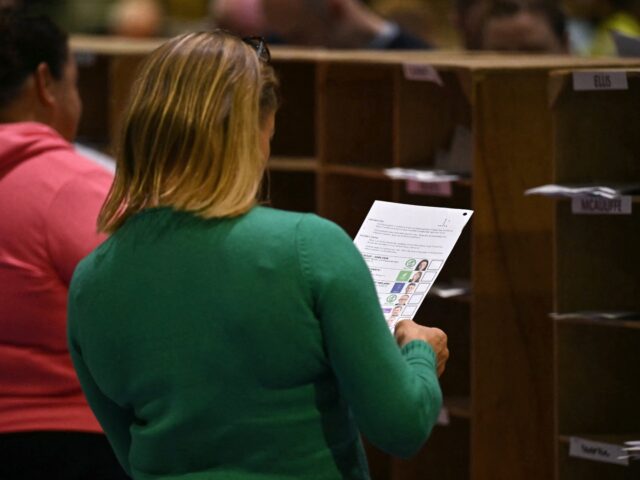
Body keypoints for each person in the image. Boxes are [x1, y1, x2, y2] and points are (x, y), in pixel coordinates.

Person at [67, 30, 449, 479]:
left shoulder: (91, 281)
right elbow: (402, 426)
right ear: (258, 126)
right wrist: (420, 353)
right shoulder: (311, 246)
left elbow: (130, 452)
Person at [0, 9, 128, 479]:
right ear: (44, 84)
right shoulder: (77, 188)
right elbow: (151, 320)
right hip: (71, 443)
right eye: (73, 82)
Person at [215, 0, 432, 49]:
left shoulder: (421, 59)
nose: (293, 51)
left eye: (299, 37)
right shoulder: (272, 50)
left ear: (335, 9)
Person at [480, 0, 568, 52]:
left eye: (531, 52)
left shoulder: (581, 81)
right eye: (500, 56)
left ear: (565, 46)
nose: (513, 66)